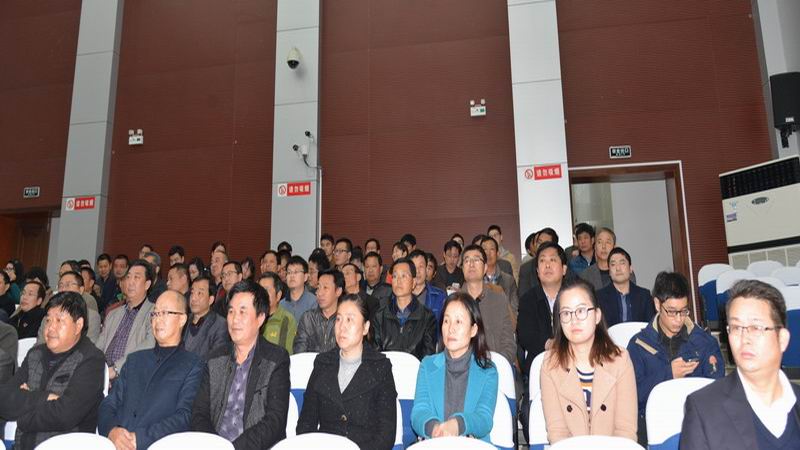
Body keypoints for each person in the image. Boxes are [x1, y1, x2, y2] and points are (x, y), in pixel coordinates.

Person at [681, 280, 800, 449]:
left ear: (782, 339)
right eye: (736, 328)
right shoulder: (703, 409)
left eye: (756, 327)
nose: (745, 339)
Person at [191, 280, 290, 450]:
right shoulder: (215, 358)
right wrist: (215, 445)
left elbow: (275, 422)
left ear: (260, 318)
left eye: (242, 312)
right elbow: (199, 414)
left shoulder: (276, 359)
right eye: (231, 311)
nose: (234, 319)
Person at [0, 292, 106, 450]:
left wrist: (22, 416)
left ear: (78, 325)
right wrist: (44, 397)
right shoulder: (35, 354)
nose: (50, 327)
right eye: (48, 320)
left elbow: (66, 414)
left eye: (59, 320)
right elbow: (4, 398)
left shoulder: (91, 360)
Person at [99, 290, 203, 450]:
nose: (158, 319)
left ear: (182, 319)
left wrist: (140, 439)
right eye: (155, 314)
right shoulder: (134, 360)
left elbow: (184, 416)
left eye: (165, 313)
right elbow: (109, 403)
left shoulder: (193, 364)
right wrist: (112, 431)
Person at [628, 271, 723, 444]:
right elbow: (633, 396)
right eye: (672, 312)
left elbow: (717, 392)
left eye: (684, 311)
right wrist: (668, 374)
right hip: (652, 429)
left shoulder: (704, 343)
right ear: (657, 304)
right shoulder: (639, 345)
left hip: (697, 428)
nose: (679, 319)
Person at [540, 279, 638, 443]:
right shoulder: (550, 365)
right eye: (566, 313)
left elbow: (625, 431)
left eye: (581, 311)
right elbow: (557, 433)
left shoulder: (620, 360)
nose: (574, 320)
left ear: (597, 315)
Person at [297, 294, 397, 449]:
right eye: (338, 319)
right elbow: (305, 424)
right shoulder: (322, 364)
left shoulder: (381, 367)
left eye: (349, 320)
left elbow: (386, 435)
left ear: (365, 327)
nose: (342, 327)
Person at [411, 292, 498, 442]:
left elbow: (484, 418)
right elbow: (419, 412)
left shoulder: (488, 370)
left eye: (458, 321)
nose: (451, 328)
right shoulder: (427, 365)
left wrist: (458, 425)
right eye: (446, 321)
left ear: (473, 330)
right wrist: (435, 429)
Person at [95, 260, 156, 380]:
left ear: (147, 284)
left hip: (130, 376)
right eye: (128, 277)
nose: (130, 282)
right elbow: (99, 346)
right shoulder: (113, 314)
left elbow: (148, 345)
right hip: (103, 375)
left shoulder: (154, 312)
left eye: (136, 277)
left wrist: (116, 369)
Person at [459, 244, 516, 367]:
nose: (471, 264)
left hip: (495, 365)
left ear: (485, 267)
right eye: (467, 260)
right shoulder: (454, 302)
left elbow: (509, 344)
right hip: (462, 367)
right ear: (462, 268)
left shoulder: (499, 299)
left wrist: (495, 365)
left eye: (476, 259)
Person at [372, 258, 437, 359]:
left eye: (404, 276)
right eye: (395, 276)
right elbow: (376, 356)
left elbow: (427, 359)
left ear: (414, 282)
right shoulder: (380, 316)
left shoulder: (428, 317)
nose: (398, 281)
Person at [596, 248, 655, 328]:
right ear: (609, 271)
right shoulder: (599, 297)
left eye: (622, 263)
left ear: (630, 269)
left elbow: (651, 327)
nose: (618, 268)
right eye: (613, 264)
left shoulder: (644, 296)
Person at [293, 269, 341, 353]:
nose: (319, 293)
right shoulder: (308, 318)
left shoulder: (344, 320)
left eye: (325, 288)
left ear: (338, 291)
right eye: (318, 288)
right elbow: (300, 352)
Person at [184, 275, 229, 360]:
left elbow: (217, 361)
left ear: (210, 300)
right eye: (192, 293)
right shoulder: (183, 320)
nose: (193, 298)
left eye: (200, 293)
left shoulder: (220, 325)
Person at [579, 227, 634, 292]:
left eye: (608, 242)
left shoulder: (626, 272)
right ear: (595, 247)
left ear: (614, 247)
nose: (603, 246)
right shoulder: (585, 275)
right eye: (599, 242)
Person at [258, 272, 297, 355]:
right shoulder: (253, 317)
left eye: (266, 290)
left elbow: (286, 355)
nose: (261, 295)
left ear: (278, 295)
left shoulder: (287, 320)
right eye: (260, 290)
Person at [481, 237, 519, 316]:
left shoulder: (508, 280)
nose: (488, 253)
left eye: (492, 249)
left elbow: (514, 310)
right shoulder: (475, 280)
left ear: (497, 254)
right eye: (484, 249)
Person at [409, 250, 447, 322]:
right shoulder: (400, 296)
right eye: (414, 267)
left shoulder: (440, 296)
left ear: (426, 269)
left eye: (421, 266)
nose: (417, 271)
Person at [280, 256, 317, 322]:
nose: (292, 276)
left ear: (305, 277)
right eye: (289, 272)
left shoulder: (314, 302)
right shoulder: (281, 305)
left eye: (296, 272)